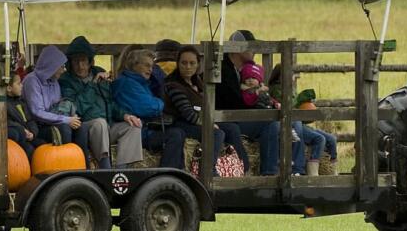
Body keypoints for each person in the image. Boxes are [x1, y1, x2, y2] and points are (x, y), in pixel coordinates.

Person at [215, 30, 305, 176]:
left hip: (241, 115)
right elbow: (235, 103)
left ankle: (294, 170)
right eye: (251, 47)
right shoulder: (225, 69)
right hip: (230, 118)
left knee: (292, 121)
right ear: (239, 48)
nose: (254, 51)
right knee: (272, 122)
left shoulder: (238, 70)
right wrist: (256, 95)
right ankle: (270, 172)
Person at [59, 36, 143, 169]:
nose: (80, 66)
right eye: (76, 62)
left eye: (83, 61)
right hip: (86, 127)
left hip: (107, 126)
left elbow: (110, 103)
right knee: (100, 123)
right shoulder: (66, 80)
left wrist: (125, 116)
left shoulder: (98, 73)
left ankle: (122, 170)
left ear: (90, 61)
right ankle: (106, 168)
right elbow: (77, 108)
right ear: (70, 63)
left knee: (133, 126)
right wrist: (93, 85)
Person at [165, 44, 249, 173]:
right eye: (184, 63)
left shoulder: (197, 82)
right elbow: (188, 114)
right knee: (216, 133)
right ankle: (207, 169)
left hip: (198, 120)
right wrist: (208, 124)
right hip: (182, 123)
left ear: (198, 64)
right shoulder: (173, 85)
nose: (188, 67)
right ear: (178, 64)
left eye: (192, 63)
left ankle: (243, 168)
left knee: (232, 128)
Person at [111, 48, 187, 169]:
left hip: (144, 128)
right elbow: (150, 107)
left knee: (179, 132)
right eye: (146, 65)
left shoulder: (139, 83)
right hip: (136, 132)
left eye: (151, 66)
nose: (150, 70)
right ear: (134, 65)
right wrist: (159, 102)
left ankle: (179, 172)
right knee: (175, 135)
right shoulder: (127, 83)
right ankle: (166, 174)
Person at [22, 45, 90, 164]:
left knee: (82, 127)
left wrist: (71, 118)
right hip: (36, 127)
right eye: (61, 66)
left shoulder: (54, 82)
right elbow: (37, 112)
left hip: (53, 122)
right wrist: (66, 120)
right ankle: (66, 165)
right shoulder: (32, 81)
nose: (64, 70)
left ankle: (84, 167)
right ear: (51, 66)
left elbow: (57, 106)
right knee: (64, 128)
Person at [268, 64, 333, 176]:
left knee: (330, 138)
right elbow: (288, 107)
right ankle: (304, 171)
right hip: (290, 124)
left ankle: (330, 170)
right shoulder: (276, 89)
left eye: (291, 74)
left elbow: (296, 106)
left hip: (299, 122)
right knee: (320, 139)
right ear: (279, 76)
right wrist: (300, 101)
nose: (291, 76)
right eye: (287, 74)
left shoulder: (291, 89)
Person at [3, 72, 38, 159]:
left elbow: (30, 120)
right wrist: (23, 130)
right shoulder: (3, 104)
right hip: (19, 136)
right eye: (18, 83)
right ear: (9, 88)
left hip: (28, 135)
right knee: (29, 149)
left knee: (42, 144)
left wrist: (33, 133)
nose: (22, 86)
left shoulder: (21, 102)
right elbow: (7, 121)